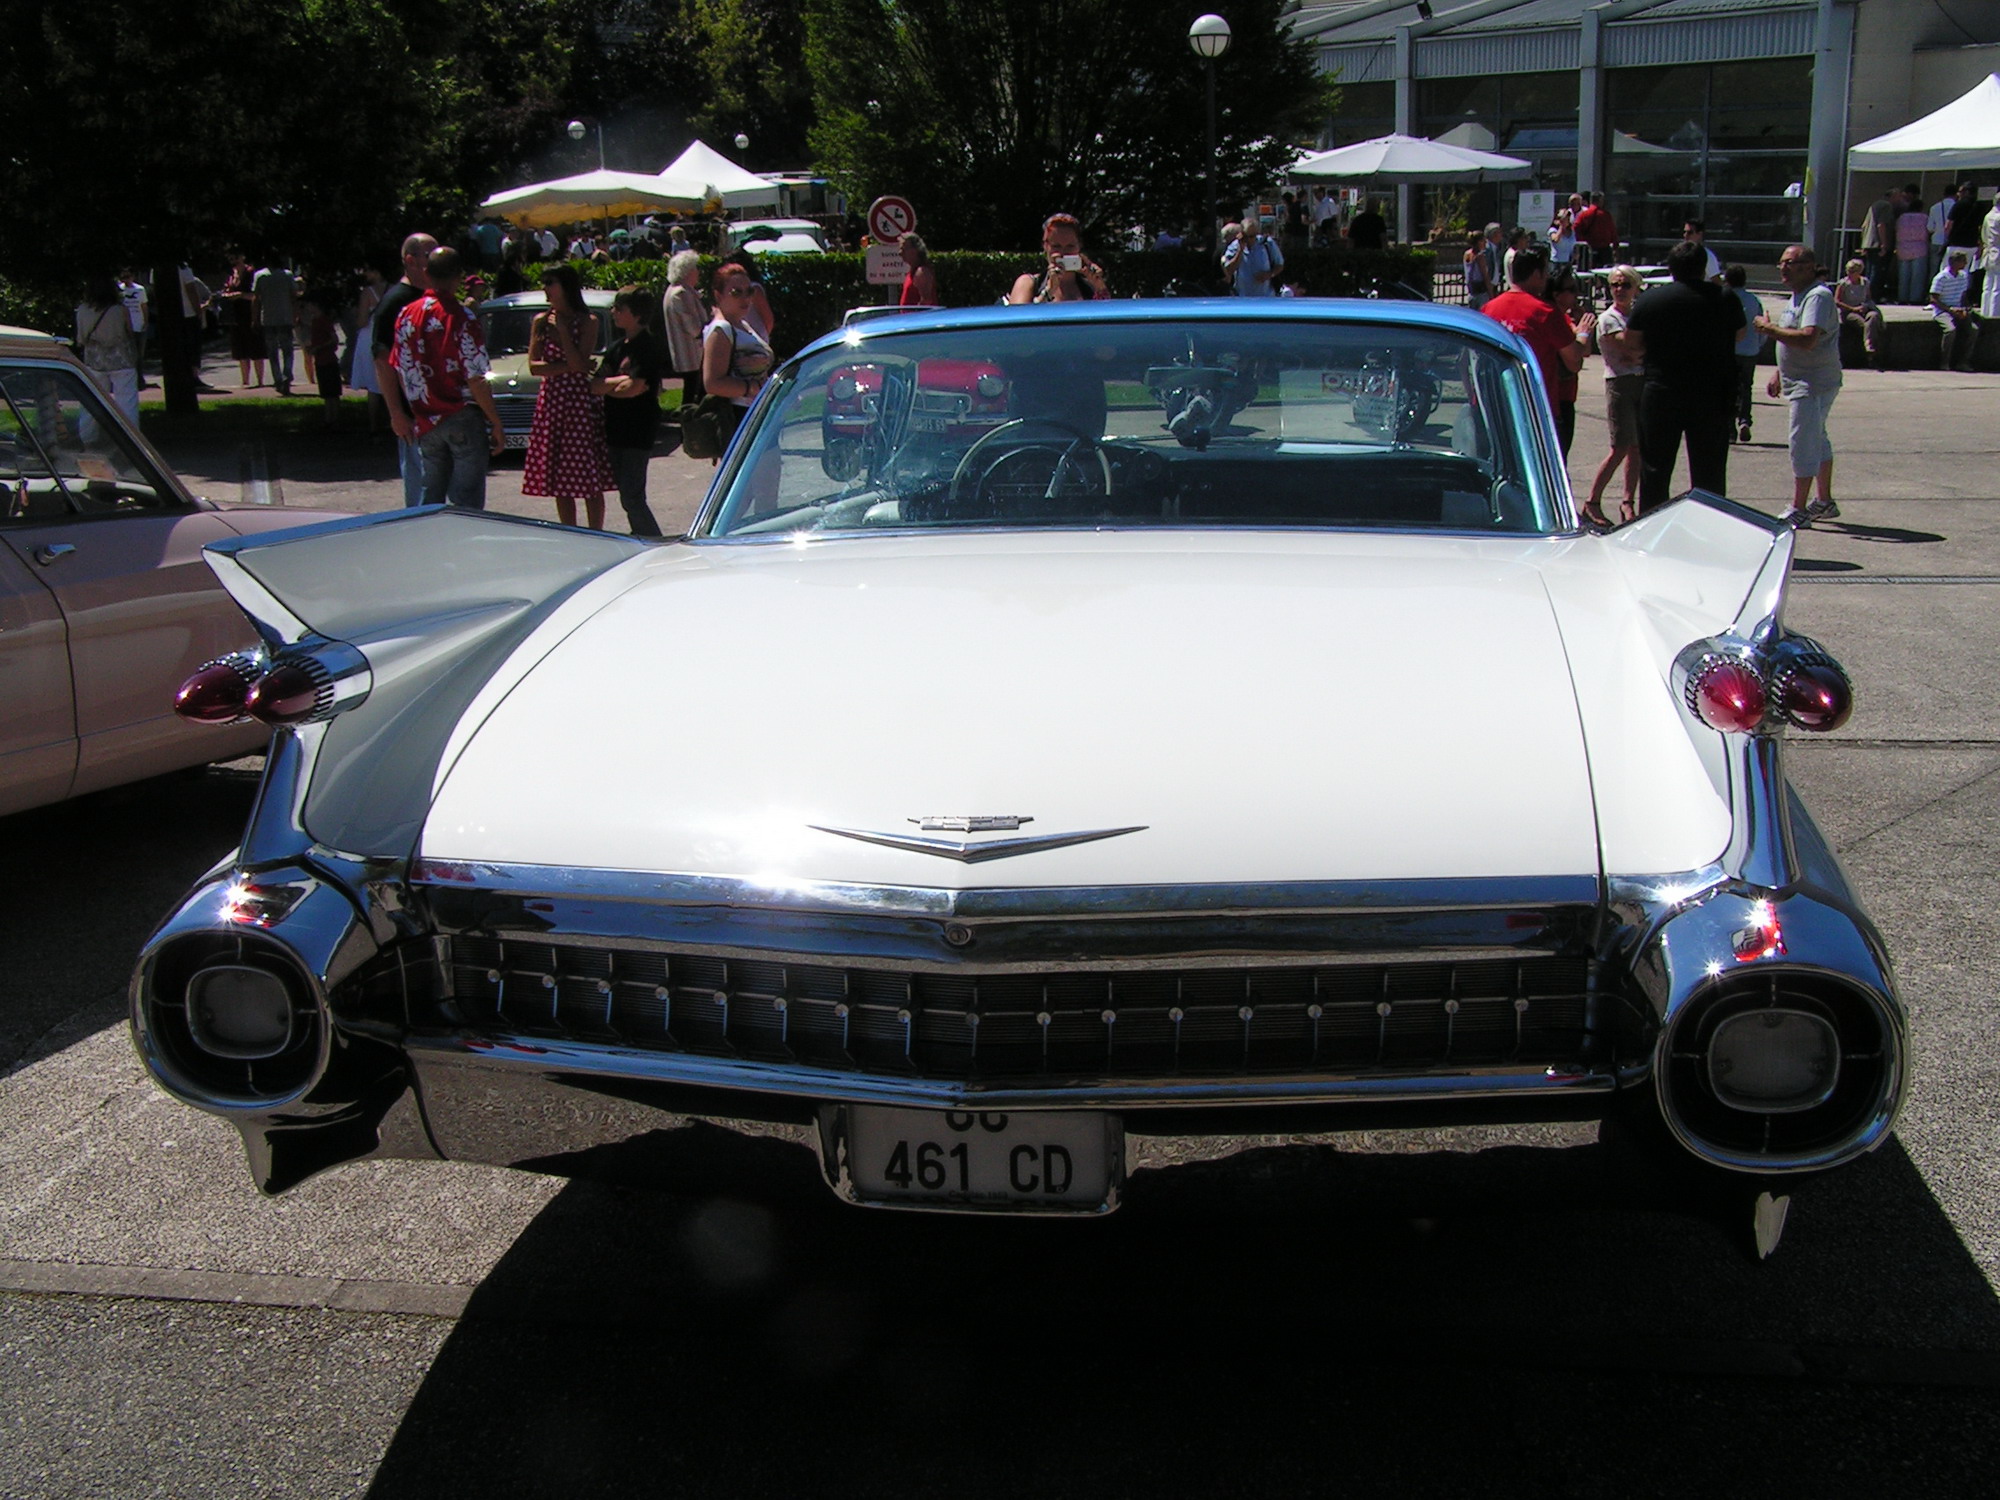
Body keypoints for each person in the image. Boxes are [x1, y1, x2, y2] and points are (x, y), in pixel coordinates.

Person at [1625, 238, 1746, 513]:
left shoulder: (1651, 299)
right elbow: (1740, 334)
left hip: (1662, 392)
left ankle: (1652, 524)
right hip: (1712, 394)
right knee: (1710, 471)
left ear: (1671, 269)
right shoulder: (1725, 298)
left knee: (1655, 469)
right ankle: (1707, 526)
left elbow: (1631, 341)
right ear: (1703, 268)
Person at [389, 246, 504, 507]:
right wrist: (495, 420)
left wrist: (413, 407)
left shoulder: (406, 315)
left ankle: (431, 534)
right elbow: (476, 377)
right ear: (458, 277)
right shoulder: (462, 317)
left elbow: (400, 367)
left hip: (425, 417)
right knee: (466, 501)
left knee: (430, 497)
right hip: (461, 413)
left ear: (427, 273)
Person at [1755, 245, 1842, 527]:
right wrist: (1779, 372)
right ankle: (1824, 501)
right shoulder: (1798, 295)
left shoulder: (1817, 296)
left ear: (1808, 266)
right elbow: (1792, 338)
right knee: (1817, 439)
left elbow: (1807, 338)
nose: (1783, 268)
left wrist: (1768, 330)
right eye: (1781, 263)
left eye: (1790, 263)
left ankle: (1798, 508)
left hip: (1812, 383)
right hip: (1800, 379)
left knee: (1802, 442)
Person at [523, 263, 614, 529]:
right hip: (553, 401)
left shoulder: (588, 321)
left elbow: (580, 362)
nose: (546, 289)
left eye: (550, 283)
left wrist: (563, 331)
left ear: (566, 286)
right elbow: (535, 367)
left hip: (578, 403)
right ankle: (569, 530)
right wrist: (571, 366)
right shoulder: (540, 322)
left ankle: (596, 532)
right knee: (559, 478)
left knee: (588, 474)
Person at [1481, 246, 1593, 459]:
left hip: (1497, 407)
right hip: (1538, 410)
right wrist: (1583, 333)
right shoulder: (1544, 312)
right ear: (1536, 274)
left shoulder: (1489, 309)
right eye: (1545, 272)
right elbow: (1574, 360)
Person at [592, 286, 669, 538]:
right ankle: (641, 533)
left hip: (638, 429)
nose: (613, 312)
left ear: (637, 314)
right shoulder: (616, 348)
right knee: (627, 493)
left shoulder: (647, 346)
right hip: (615, 428)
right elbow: (594, 385)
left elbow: (634, 387)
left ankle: (651, 538)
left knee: (632, 495)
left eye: (620, 308)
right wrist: (619, 381)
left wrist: (613, 386)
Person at [374, 232, 439, 506]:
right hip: (412, 416)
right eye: (429, 256)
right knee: (421, 491)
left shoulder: (431, 296)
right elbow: (382, 361)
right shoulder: (395, 302)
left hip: (438, 412)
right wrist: (396, 413)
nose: (436, 262)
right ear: (411, 261)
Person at [1587, 264, 1645, 525]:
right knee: (1620, 446)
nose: (1619, 290)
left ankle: (1627, 501)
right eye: (1615, 285)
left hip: (1640, 381)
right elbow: (1629, 349)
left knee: (1636, 447)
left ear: (1635, 288)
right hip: (1620, 383)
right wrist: (1642, 350)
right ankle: (1592, 501)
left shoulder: (1637, 316)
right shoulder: (1608, 319)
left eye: (1625, 285)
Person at [700, 261, 776, 457]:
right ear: (718, 295)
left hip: (756, 414)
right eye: (736, 292)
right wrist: (753, 388)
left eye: (749, 292)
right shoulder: (722, 329)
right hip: (738, 417)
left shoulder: (742, 324)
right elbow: (712, 383)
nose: (745, 298)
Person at [74, 274, 139, 422]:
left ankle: (88, 434)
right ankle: (129, 433)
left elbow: (80, 339)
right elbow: (129, 332)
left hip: (94, 359)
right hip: (121, 359)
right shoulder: (120, 310)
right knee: (127, 402)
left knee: (92, 402)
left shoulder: (83, 310)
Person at [1008, 214, 1109, 303]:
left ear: (1079, 246)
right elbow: (1017, 317)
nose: (1063, 253)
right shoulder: (1028, 284)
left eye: (1070, 246)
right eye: (1056, 246)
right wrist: (1048, 292)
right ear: (1045, 247)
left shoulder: (1089, 288)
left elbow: (1106, 316)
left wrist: (1100, 288)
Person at [1724, 264, 1764, 443]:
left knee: (1728, 389)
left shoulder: (1724, 298)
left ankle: (1730, 429)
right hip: (1750, 351)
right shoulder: (1754, 300)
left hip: (1729, 351)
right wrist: (1758, 345)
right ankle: (1745, 420)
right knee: (1746, 387)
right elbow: (1761, 325)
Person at [661, 250, 707, 404]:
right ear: (688, 270)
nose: (698, 272)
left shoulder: (674, 290)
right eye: (696, 268)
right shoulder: (681, 293)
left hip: (688, 352)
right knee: (693, 393)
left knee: (691, 390)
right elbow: (693, 327)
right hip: (691, 353)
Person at [1930, 248, 1981, 372]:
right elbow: (1934, 299)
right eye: (1963, 261)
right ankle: (1944, 362)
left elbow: (1963, 296)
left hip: (1958, 310)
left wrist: (1966, 309)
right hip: (1943, 311)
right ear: (1954, 262)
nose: (1965, 263)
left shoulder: (1963, 276)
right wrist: (1950, 310)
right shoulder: (1941, 277)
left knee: (1973, 330)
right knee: (1950, 330)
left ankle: (1963, 362)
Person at [348, 265, 387, 431]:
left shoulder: (367, 292)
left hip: (370, 338)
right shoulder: (394, 289)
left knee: (373, 386)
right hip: (388, 336)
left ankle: (373, 427)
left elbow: (362, 321)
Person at [253, 258, 299, 395]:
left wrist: (255, 319)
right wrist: (296, 315)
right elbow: (294, 296)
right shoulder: (287, 275)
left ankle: (278, 379)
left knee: (272, 352)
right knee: (287, 350)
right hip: (285, 317)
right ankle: (287, 374)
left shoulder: (260, 276)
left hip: (268, 318)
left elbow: (256, 299)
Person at [220, 250, 265, 387]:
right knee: (240, 350)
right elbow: (226, 291)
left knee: (256, 348)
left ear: (243, 257)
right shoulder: (231, 275)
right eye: (231, 258)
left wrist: (240, 295)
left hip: (251, 314)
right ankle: (245, 381)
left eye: (236, 257)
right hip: (236, 316)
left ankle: (260, 382)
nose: (234, 261)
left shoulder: (251, 273)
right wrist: (226, 295)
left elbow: (256, 295)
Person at [1833, 259, 1887, 370]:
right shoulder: (1843, 284)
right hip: (1849, 312)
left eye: (1853, 271)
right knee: (1866, 325)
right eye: (1848, 271)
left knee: (1873, 316)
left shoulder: (1865, 282)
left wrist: (1865, 306)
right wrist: (1853, 308)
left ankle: (1869, 346)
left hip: (1863, 309)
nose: (1850, 273)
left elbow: (1869, 298)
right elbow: (1837, 301)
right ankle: (1870, 352)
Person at [302, 291, 342, 428]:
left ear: (315, 305)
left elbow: (334, 339)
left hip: (328, 361)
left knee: (333, 393)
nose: (307, 308)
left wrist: (318, 348)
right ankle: (328, 419)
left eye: (308, 305)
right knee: (326, 393)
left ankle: (334, 419)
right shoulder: (314, 321)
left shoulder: (323, 320)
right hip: (320, 361)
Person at [1222, 215, 1283, 297]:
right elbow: (1228, 270)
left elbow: (1279, 265)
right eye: (1246, 236)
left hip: (1265, 296)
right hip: (1242, 296)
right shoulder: (1234, 246)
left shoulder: (1267, 244)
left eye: (1252, 236)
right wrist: (1240, 250)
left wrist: (1269, 274)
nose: (1249, 240)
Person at [1895, 190, 1931, 304]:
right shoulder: (1924, 217)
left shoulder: (1902, 217)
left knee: (1904, 275)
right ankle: (1915, 298)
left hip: (1903, 248)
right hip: (1919, 248)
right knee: (1917, 276)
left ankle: (1902, 297)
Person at [117, 270, 150, 387]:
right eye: (123, 277)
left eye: (128, 277)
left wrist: (145, 321)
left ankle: (139, 379)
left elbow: (144, 306)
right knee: (127, 354)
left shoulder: (139, 289)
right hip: (125, 327)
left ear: (132, 277)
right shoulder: (120, 290)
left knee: (139, 354)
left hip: (138, 325)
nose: (126, 280)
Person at [1574, 192, 1617, 270]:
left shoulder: (1584, 214)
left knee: (1586, 271)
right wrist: (1615, 244)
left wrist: (1582, 240)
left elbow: (1576, 227)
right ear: (1600, 201)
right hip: (1604, 250)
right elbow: (1612, 231)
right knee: (1605, 271)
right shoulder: (1605, 215)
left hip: (1588, 249)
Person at [897, 232, 937, 306]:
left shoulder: (922, 272)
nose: (900, 253)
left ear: (915, 250)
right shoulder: (912, 272)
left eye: (903, 249)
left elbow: (926, 302)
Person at [1929, 185, 1957, 283]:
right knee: (1949, 269)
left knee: (1934, 269)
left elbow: (1930, 228)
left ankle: (1932, 288)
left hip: (1936, 241)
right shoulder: (1957, 206)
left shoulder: (1934, 207)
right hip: (1951, 243)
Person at [1461, 230, 1492, 310]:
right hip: (1481, 292)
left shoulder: (1467, 254)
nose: (1485, 243)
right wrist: (1491, 293)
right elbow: (1485, 276)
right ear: (1478, 242)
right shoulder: (1480, 257)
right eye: (1483, 241)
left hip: (1472, 291)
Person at [1984, 193, 2000, 320]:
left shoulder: (1988, 216)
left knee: (1987, 286)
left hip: (1989, 251)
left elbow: (1983, 235)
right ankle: (1994, 315)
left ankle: (1985, 312)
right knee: (1997, 287)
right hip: (1998, 251)